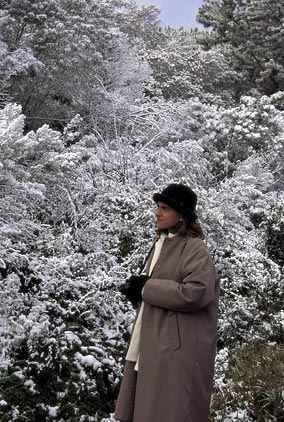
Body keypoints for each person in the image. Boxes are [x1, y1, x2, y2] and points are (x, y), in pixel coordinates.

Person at [115, 183, 219, 422]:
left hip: (175, 350)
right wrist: (137, 290)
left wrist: (146, 287)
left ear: (181, 215)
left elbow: (197, 292)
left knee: (171, 411)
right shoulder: (162, 243)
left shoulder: (195, 249)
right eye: (157, 207)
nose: (157, 213)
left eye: (164, 208)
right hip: (154, 345)